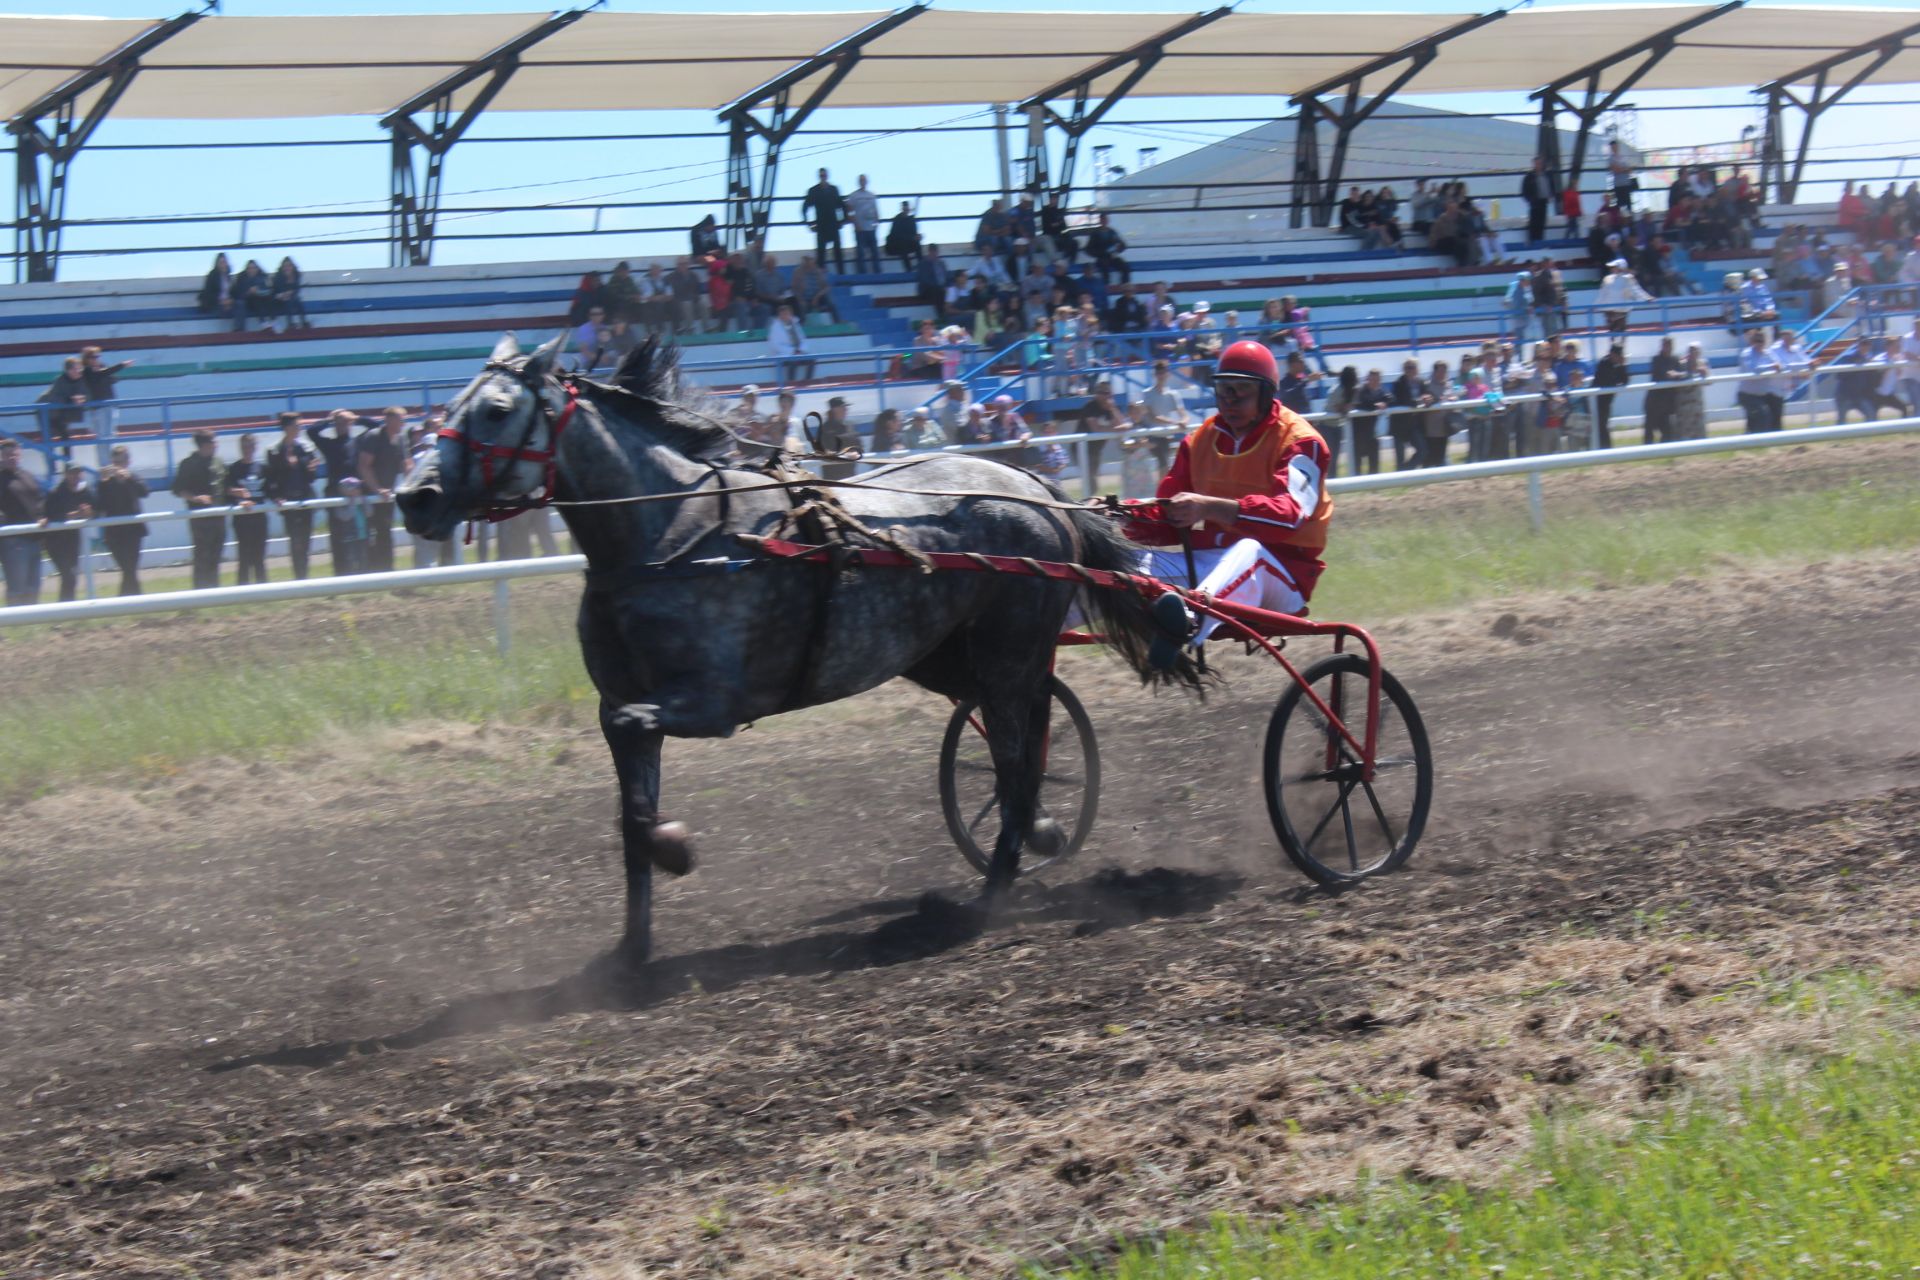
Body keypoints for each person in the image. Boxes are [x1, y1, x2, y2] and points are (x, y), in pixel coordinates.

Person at [1124, 340, 1333, 665]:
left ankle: (1186, 623)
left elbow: (1289, 516)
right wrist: (1113, 517)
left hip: (1283, 577)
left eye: (1241, 391)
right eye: (1224, 391)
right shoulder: (1199, 441)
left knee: (1248, 550)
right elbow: (1166, 518)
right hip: (1212, 570)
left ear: (1266, 394)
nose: (1229, 401)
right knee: (1120, 561)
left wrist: (1208, 507)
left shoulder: (1301, 442)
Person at [263, 410, 320, 579]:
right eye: (297, 425)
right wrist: (276, 496)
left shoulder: (306, 447)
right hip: (288, 501)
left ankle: (305, 576)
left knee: (306, 541)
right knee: (296, 541)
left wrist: (309, 468)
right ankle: (299, 577)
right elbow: (271, 479)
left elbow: (311, 477)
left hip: (305, 499)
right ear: (287, 428)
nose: (299, 428)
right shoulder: (273, 451)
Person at [355, 407, 408, 572]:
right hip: (371, 495)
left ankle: (387, 570)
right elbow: (364, 466)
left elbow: (407, 464)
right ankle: (372, 571)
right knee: (372, 533)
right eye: (400, 420)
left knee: (385, 531)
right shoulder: (374, 437)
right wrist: (378, 489)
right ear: (390, 420)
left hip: (387, 495)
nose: (403, 423)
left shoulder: (400, 439)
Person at [172, 428, 226, 589]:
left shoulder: (218, 462)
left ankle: (214, 593)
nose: (216, 445)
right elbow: (178, 489)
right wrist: (196, 498)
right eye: (213, 441)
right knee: (202, 556)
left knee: (216, 556)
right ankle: (200, 593)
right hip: (200, 518)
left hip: (219, 516)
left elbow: (225, 485)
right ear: (204, 444)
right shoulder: (188, 464)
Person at [92, 444, 147, 596]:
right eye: (115, 462)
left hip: (133, 530)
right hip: (114, 532)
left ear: (128, 462)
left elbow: (144, 492)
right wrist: (103, 482)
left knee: (130, 568)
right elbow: (99, 506)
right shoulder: (105, 482)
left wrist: (128, 478)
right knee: (126, 567)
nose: (118, 466)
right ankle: (133, 600)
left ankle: (127, 600)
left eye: (121, 462)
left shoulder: (134, 477)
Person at [0, 439, 46, 606]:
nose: (12, 457)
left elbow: (40, 499)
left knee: (34, 585)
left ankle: (31, 624)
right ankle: (14, 623)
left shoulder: (27, 475)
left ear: (20, 455)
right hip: (13, 539)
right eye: (7, 455)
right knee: (17, 587)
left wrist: (42, 515)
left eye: (14, 454)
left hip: (34, 536)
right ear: (2, 457)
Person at [224, 433, 269, 585]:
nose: (247, 449)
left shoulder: (262, 468)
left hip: (259, 518)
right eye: (244, 446)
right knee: (244, 556)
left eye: (250, 445)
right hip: (242, 519)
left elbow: (271, 489)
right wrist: (237, 496)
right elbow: (226, 491)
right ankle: (242, 590)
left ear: (255, 447)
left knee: (259, 557)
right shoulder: (234, 469)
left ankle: (263, 589)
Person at [36, 356, 88, 461]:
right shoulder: (59, 380)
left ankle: (68, 465)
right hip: (45, 413)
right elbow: (54, 398)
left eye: (80, 368)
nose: (79, 371)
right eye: (76, 368)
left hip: (62, 415)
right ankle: (52, 468)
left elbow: (88, 394)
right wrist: (71, 399)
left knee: (66, 439)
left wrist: (83, 398)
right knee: (48, 441)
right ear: (68, 370)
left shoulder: (82, 380)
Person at [1737, 328, 1785, 434]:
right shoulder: (1746, 354)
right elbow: (1753, 370)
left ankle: (1750, 441)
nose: (1759, 343)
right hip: (1747, 395)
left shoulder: (1768, 353)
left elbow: (1780, 365)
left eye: (1761, 341)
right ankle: (1760, 442)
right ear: (1752, 342)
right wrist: (1771, 367)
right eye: (1757, 341)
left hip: (1762, 395)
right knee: (1762, 415)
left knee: (1758, 419)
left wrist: (1776, 366)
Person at [801, 168, 846, 273]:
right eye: (821, 176)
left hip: (833, 225)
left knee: (838, 254)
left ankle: (841, 276)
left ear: (827, 176)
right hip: (821, 226)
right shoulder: (814, 191)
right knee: (821, 255)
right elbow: (805, 208)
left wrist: (842, 221)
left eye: (824, 175)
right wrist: (809, 223)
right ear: (819, 177)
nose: (823, 177)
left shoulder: (834, 189)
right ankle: (821, 277)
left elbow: (841, 205)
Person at [1594, 257, 1652, 337]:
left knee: (1620, 334)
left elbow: (1636, 290)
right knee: (1613, 335)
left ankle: (1619, 347)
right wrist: (1596, 305)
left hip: (1621, 311)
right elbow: (1602, 294)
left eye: (1614, 267)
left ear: (1620, 268)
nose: (1612, 269)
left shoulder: (1628, 278)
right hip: (1609, 312)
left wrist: (1647, 297)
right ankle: (1615, 347)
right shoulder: (1607, 279)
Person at [816, 397, 862, 480]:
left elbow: (859, 445)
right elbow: (824, 452)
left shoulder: (850, 426)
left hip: (851, 474)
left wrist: (857, 452)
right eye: (843, 407)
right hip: (834, 477)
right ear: (835, 410)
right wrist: (845, 455)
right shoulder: (825, 429)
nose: (846, 410)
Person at [766, 304, 814, 384]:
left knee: (811, 360)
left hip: (798, 352)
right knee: (793, 361)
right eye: (783, 314)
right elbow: (775, 345)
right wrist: (792, 351)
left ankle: (807, 381)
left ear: (791, 314)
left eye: (787, 313)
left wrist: (800, 350)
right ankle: (791, 383)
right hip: (784, 354)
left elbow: (802, 339)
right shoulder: (775, 327)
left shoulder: (795, 324)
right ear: (779, 315)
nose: (785, 316)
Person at [790, 255, 838, 323]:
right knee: (800, 305)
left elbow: (826, 287)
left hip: (817, 297)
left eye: (811, 262)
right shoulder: (797, 272)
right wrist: (800, 299)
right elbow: (794, 289)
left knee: (830, 300)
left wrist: (817, 297)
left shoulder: (818, 271)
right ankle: (802, 324)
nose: (809, 264)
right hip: (804, 298)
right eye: (807, 262)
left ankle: (837, 321)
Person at [1521, 156, 1557, 245]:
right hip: (1534, 203)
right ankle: (1532, 241)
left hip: (1544, 202)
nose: (1539, 165)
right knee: (1534, 223)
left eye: (1540, 163)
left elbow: (1551, 187)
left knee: (1542, 223)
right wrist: (1530, 200)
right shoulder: (1529, 177)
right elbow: (1524, 191)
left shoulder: (1547, 175)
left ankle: (1540, 241)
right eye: (1537, 163)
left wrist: (1551, 196)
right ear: (1534, 164)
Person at [268, 256, 310, 331]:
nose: (287, 268)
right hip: (278, 298)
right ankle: (290, 323)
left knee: (296, 300)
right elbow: (277, 290)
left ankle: (304, 322)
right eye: (285, 266)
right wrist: (284, 294)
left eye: (289, 266)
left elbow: (297, 289)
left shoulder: (296, 275)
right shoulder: (278, 277)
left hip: (291, 297)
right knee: (289, 300)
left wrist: (290, 293)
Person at [230, 259, 270, 332]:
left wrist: (258, 291)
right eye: (249, 268)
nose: (251, 270)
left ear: (257, 269)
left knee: (257, 299)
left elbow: (268, 292)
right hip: (245, 302)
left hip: (259, 302)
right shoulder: (241, 278)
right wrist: (248, 292)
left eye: (254, 268)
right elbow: (237, 294)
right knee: (240, 303)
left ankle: (265, 324)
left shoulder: (262, 278)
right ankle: (239, 329)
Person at [884, 201, 921, 271]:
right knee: (903, 246)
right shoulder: (897, 219)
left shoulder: (911, 219)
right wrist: (911, 238)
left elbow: (914, 232)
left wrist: (917, 237)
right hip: (896, 244)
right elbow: (896, 235)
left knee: (917, 245)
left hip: (908, 242)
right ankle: (908, 269)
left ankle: (921, 266)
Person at [196, 252, 233, 320]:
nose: (223, 265)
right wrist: (222, 301)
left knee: (240, 305)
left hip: (227, 302)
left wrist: (230, 301)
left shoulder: (228, 276)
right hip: (214, 303)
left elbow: (232, 292)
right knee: (225, 310)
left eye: (224, 262)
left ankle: (239, 329)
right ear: (217, 264)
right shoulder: (212, 275)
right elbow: (208, 293)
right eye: (221, 262)